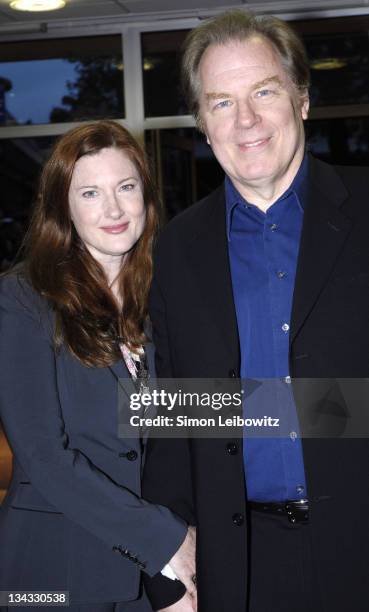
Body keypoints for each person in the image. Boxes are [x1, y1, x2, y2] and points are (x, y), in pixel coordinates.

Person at [142, 10, 369, 612]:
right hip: (238, 564)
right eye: (221, 102)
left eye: (263, 92)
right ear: (202, 124)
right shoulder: (175, 249)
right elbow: (173, 416)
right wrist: (167, 557)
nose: (245, 120)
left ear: (302, 100)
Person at [0, 121, 196, 612]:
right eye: (90, 192)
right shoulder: (23, 298)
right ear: (63, 207)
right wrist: (169, 541)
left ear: (146, 198)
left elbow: (183, 421)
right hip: (50, 576)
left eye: (126, 187)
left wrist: (329, 412)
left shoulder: (162, 301)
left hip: (142, 578)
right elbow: (45, 457)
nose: (113, 209)